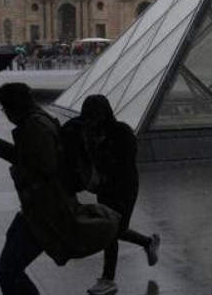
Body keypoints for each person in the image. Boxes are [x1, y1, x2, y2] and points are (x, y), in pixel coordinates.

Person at [0, 83, 122, 295]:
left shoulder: (35, 127)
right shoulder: (38, 120)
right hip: (37, 209)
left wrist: (18, 172)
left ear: (13, 107)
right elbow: (30, 157)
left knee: (8, 271)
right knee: (8, 267)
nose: (5, 114)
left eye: (5, 109)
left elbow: (45, 168)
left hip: (44, 212)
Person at [79, 94, 161, 295]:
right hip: (106, 188)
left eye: (94, 115)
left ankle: (108, 279)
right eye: (89, 116)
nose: (91, 120)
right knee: (114, 228)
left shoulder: (121, 131)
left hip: (124, 186)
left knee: (113, 230)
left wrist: (102, 153)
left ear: (103, 113)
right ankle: (148, 242)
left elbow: (124, 162)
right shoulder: (90, 133)